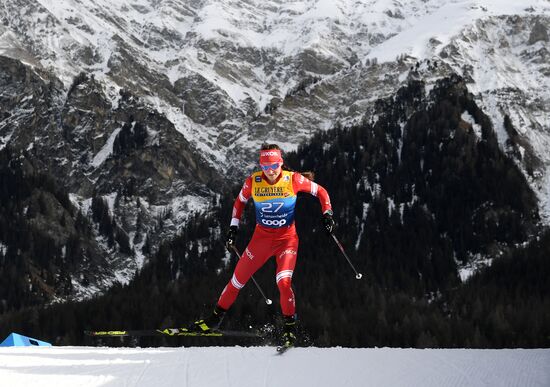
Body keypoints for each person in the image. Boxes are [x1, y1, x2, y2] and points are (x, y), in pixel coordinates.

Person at [191, 144, 335, 347]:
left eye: (274, 166)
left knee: (283, 283)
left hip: (287, 241)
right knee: (236, 281)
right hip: (261, 241)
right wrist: (233, 228)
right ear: (260, 166)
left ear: (281, 163)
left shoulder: (293, 180)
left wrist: (327, 214)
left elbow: (321, 192)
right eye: (265, 167)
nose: (270, 171)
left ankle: (289, 331)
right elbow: (239, 203)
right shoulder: (253, 182)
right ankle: (214, 319)